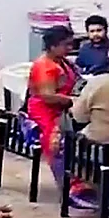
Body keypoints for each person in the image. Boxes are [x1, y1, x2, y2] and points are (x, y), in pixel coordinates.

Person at [25, 25, 78, 185]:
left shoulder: (62, 61)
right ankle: (65, 183)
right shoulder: (44, 66)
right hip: (45, 110)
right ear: (53, 46)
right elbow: (47, 96)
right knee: (55, 141)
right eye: (66, 45)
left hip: (63, 108)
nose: (70, 48)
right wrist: (73, 100)